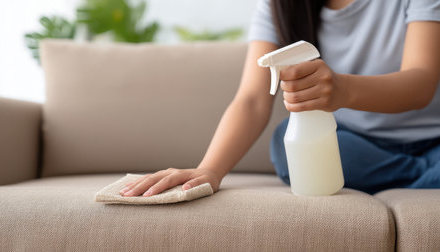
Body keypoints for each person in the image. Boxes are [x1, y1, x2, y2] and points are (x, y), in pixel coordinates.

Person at [119, 0, 440, 197]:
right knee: (284, 143)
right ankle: (426, 181)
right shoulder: (277, 5)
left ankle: (411, 178)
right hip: (353, 143)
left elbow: (421, 83)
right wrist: (210, 170)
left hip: (432, 139)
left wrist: (342, 90)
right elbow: (252, 100)